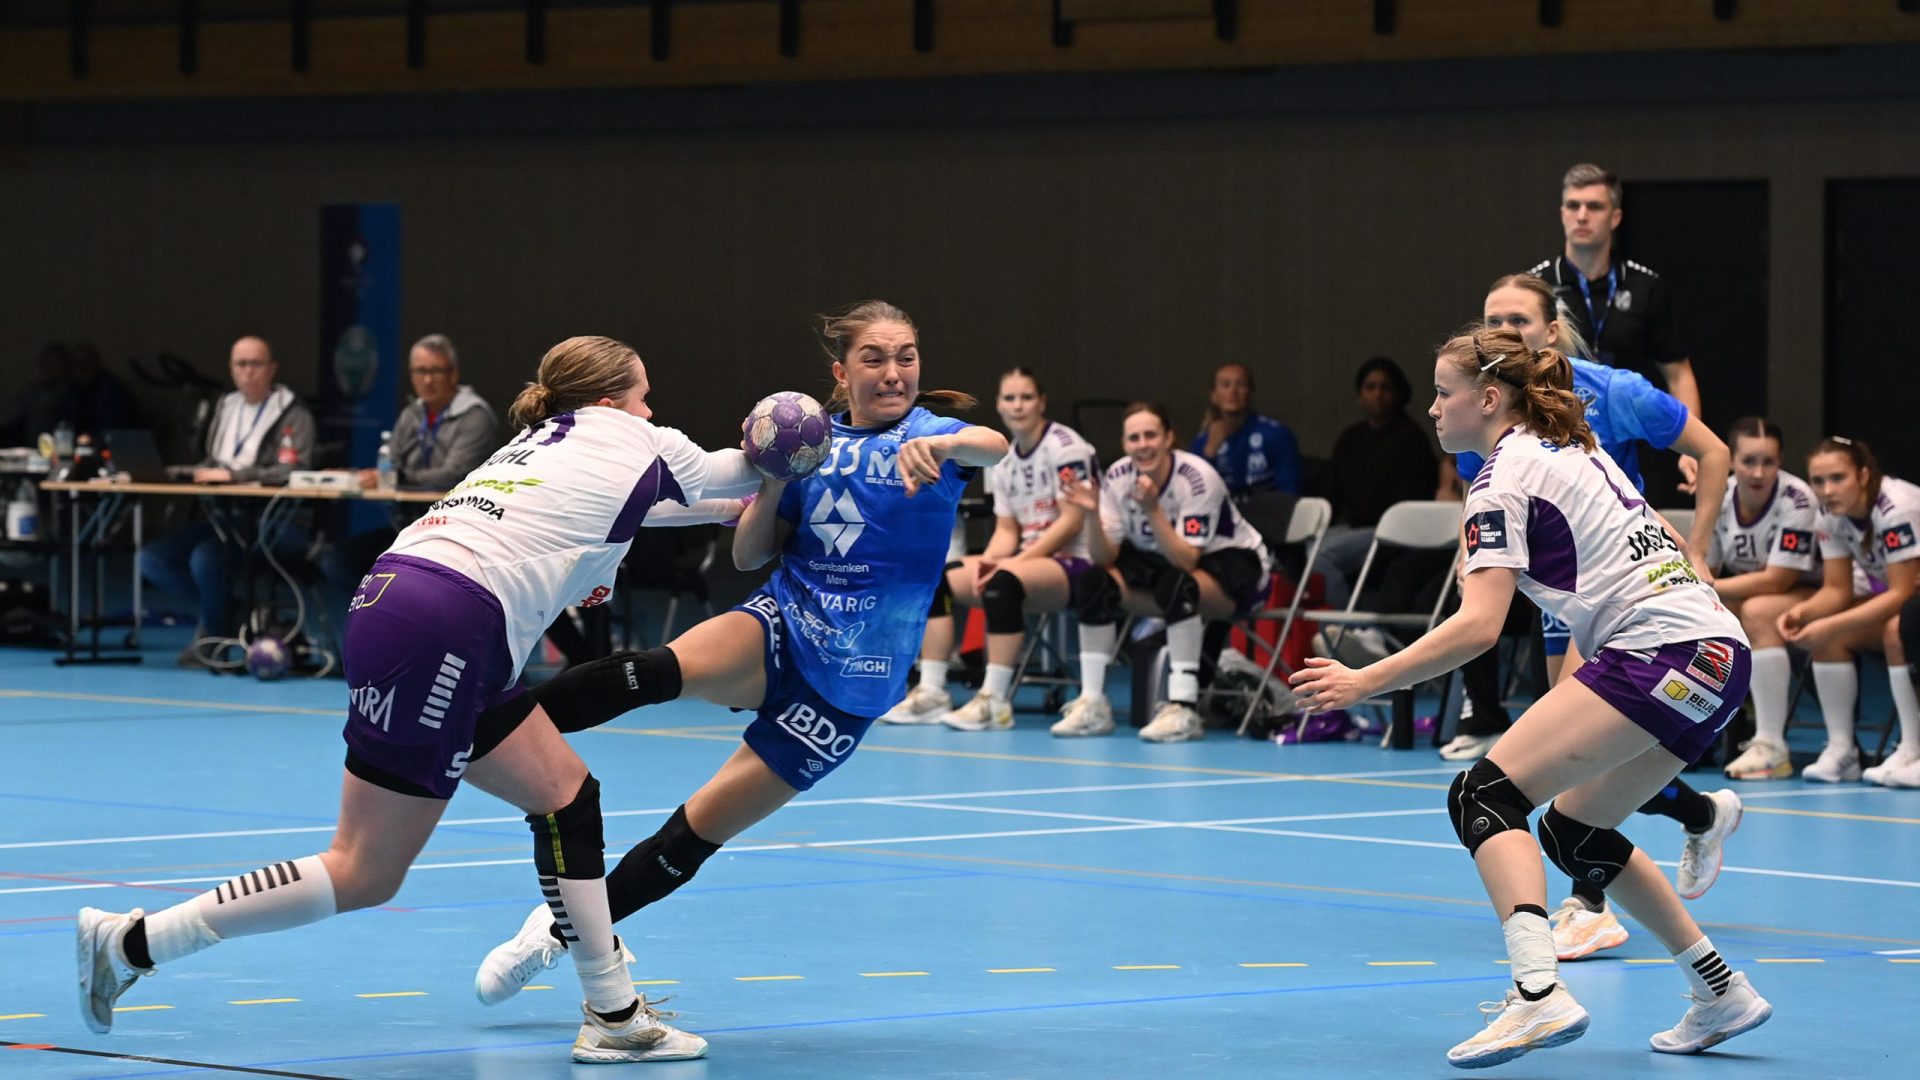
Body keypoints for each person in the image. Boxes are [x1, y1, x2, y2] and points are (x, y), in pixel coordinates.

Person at [79, 334, 765, 1063]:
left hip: (400, 598)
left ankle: (614, 1014)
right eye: (644, 396)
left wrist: (737, 507)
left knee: (566, 796)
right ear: (608, 401)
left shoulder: (543, 444)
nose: (651, 410)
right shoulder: (634, 436)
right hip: (449, 624)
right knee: (363, 868)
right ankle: (132, 943)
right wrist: (815, 436)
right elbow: (748, 466)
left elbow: (684, 505)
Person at [468, 301, 1008, 1011]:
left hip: (856, 680)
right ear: (841, 372)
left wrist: (946, 446)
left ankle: (554, 929)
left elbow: (993, 445)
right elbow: (750, 555)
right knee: (654, 671)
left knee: (693, 834)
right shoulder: (807, 442)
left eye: (905, 357)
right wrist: (777, 481)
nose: (893, 372)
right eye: (874, 358)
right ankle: (475, 733)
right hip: (787, 618)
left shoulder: (931, 435)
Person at [1293, 323, 1770, 1069]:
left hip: (1659, 650)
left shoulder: (1500, 479)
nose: (1433, 409)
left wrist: (1363, 681)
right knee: (1577, 832)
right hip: (1720, 654)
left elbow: (1478, 627)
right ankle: (1721, 991)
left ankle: (1537, 993)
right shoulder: (1574, 448)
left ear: (1488, 398)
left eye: (1443, 393)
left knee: (1483, 796)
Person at [1462, 275, 1738, 963]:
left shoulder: (1613, 391)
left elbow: (1712, 452)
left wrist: (1698, 549)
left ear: (1552, 331)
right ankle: (1701, 814)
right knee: (1583, 749)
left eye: (1518, 320)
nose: (1502, 332)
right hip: (1564, 595)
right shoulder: (1484, 410)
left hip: (1629, 594)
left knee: (1564, 758)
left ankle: (1588, 906)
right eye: (1492, 320)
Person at [879, 367, 1101, 732]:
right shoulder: (1004, 459)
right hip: (1026, 562)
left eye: (1026, 397)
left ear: (1041, 402)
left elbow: (1071, 522)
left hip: (1074, 563)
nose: (1018, 406)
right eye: (1010, 398)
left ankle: (994, 699)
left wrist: (1011, 564)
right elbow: (1007, 529)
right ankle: (932, 691)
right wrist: (991, 560)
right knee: (940, 578)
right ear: (999, 405)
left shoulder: (1066, 447)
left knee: (1002, 583)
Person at [1053, 402, 1271, 742]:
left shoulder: (1196, 478)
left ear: (1168, 438)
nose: (1143, 445)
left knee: (1177, 584)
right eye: (1134, 438)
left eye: (1151, 435)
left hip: (1235, 568)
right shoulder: (1117, 477)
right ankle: (1092, 702)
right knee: (1093, 580)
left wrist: (1153, 509)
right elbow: (1102, 557)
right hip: (1164, 565)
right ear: (1124, 444)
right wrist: (1092, 515)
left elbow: (1186, 560)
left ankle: (1183, 707)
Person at [1529, 163, 1703, 496]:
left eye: (1594, 206)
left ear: (1615, 217)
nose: (1582, 216)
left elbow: (1679, 375)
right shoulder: (1536, 286)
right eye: (1573, 205)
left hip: (1631, 439)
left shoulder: (1646, 286)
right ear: (1562, 213)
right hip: (1557, 439)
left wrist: (1692, 446)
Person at [138, 335, 317, 656]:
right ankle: (238, 614)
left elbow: (294, 471)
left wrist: (237, 477)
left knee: (206, 558)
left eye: (256, 364)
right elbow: (213, 464)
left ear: (272, 368)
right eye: (241, 364)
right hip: (227, 521)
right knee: (152, 559)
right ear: (231, 369)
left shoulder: (294, 414)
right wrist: (173, 473)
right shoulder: (226, 406)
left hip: (273, 523)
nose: (248, 372)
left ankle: (214, 640)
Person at [320, 334, 500, 614]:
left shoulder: (475, 416)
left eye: (435, 371)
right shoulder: (412, 414)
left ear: (453, 374)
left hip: (456, 532)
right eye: (420, 371)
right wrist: (362, 477)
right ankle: (383, 621)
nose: (427, 380)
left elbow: (455, 475)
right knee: (338, 561)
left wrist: (400, 476)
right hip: (410, 527)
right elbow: (389, 464)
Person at [1779, 437, 1920, 785]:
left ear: (1863, 475)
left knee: (1894, 631)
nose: (1827, 490)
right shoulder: (1829, 515)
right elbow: (1837, 589)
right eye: (1818, 481)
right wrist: (1804, 613)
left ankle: (1912, 747)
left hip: (1911, 604)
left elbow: (1902, 592)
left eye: (1838, 478)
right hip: (1909, 604)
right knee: (1829, 636)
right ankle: (1843, 752)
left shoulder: (1895, 509)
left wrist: (1829, 624)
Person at [1710, 418, 1824, 781]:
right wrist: (1702, 590)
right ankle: (1695, 728)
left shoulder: (1797, 499)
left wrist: (1707, 586)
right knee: (1703, 614)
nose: (1758, 472)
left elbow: (1779, 580)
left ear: (1781, 461)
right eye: (1748, 461)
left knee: (1756, 611)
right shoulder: (1719, 494)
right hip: (1751, 590)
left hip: (1817, 592)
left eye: (1768, 462)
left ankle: (1772, 745)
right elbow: (1707, 567)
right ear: (1731, 460)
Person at [1318, 356, 1438, 608]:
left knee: (1323, 554)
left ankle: (1345, 627)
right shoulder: (1350, 438)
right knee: (1307, 544)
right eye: (1370, 387)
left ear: (1398, 394)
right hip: (1353, 527)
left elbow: (1412, 499)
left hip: (1390, 531)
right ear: (1359, 395)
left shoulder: (1411, 439)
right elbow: (1333, 493)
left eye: (1385, 387)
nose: (1378, 394)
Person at [1192, 362, 1301, 497]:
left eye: (1241, 385)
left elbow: (1291, 491)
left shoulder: (1276, 434)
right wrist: (1210, 451)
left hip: (1268, 508)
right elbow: (1197, 496)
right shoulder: (1202, 442)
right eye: (1225, 385)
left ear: (1250, 392)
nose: (1233, 391)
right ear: (1214, 396)